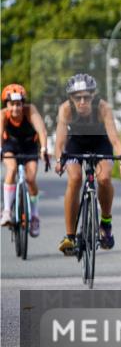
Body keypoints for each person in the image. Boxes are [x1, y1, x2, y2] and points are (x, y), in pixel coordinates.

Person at [53, 74, 121, 254]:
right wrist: (59, 160)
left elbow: (115, 140)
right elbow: (60, 142)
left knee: (104, 178)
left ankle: (106, 224)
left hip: (100, 142)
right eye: (77, 97)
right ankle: (70, 236)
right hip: (75, 144)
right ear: (71, 98)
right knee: (75, 179)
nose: (82, 101)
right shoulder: (65, 109)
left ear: (93, 96)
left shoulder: (103, 108)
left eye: (86, 97)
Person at [0, 84, 49, 235]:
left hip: (29, 146)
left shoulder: (30, 111)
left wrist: (44, 149)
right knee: (12, 168)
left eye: (18, 104)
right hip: (11, 146)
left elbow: (41, 130)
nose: (15, 108)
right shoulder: (3, 115)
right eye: (11, 105)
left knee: (31, 178)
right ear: (6, 105)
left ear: (23, 103)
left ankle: (34, 215)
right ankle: (7, 211)